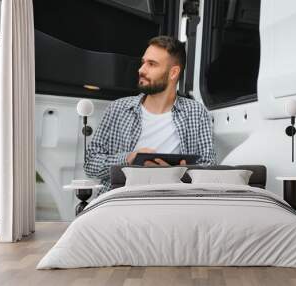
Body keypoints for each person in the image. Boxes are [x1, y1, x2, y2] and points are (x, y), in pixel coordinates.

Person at [84, 36, 216, 195]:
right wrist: (129, 159)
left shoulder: (197, 113)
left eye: (151, 64)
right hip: (121, 200)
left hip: (173, 201)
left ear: (173, 73)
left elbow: (209, 167)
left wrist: (175, 174)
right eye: (143, 62)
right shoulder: (117, 109)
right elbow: (90, 165)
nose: (141, 70)